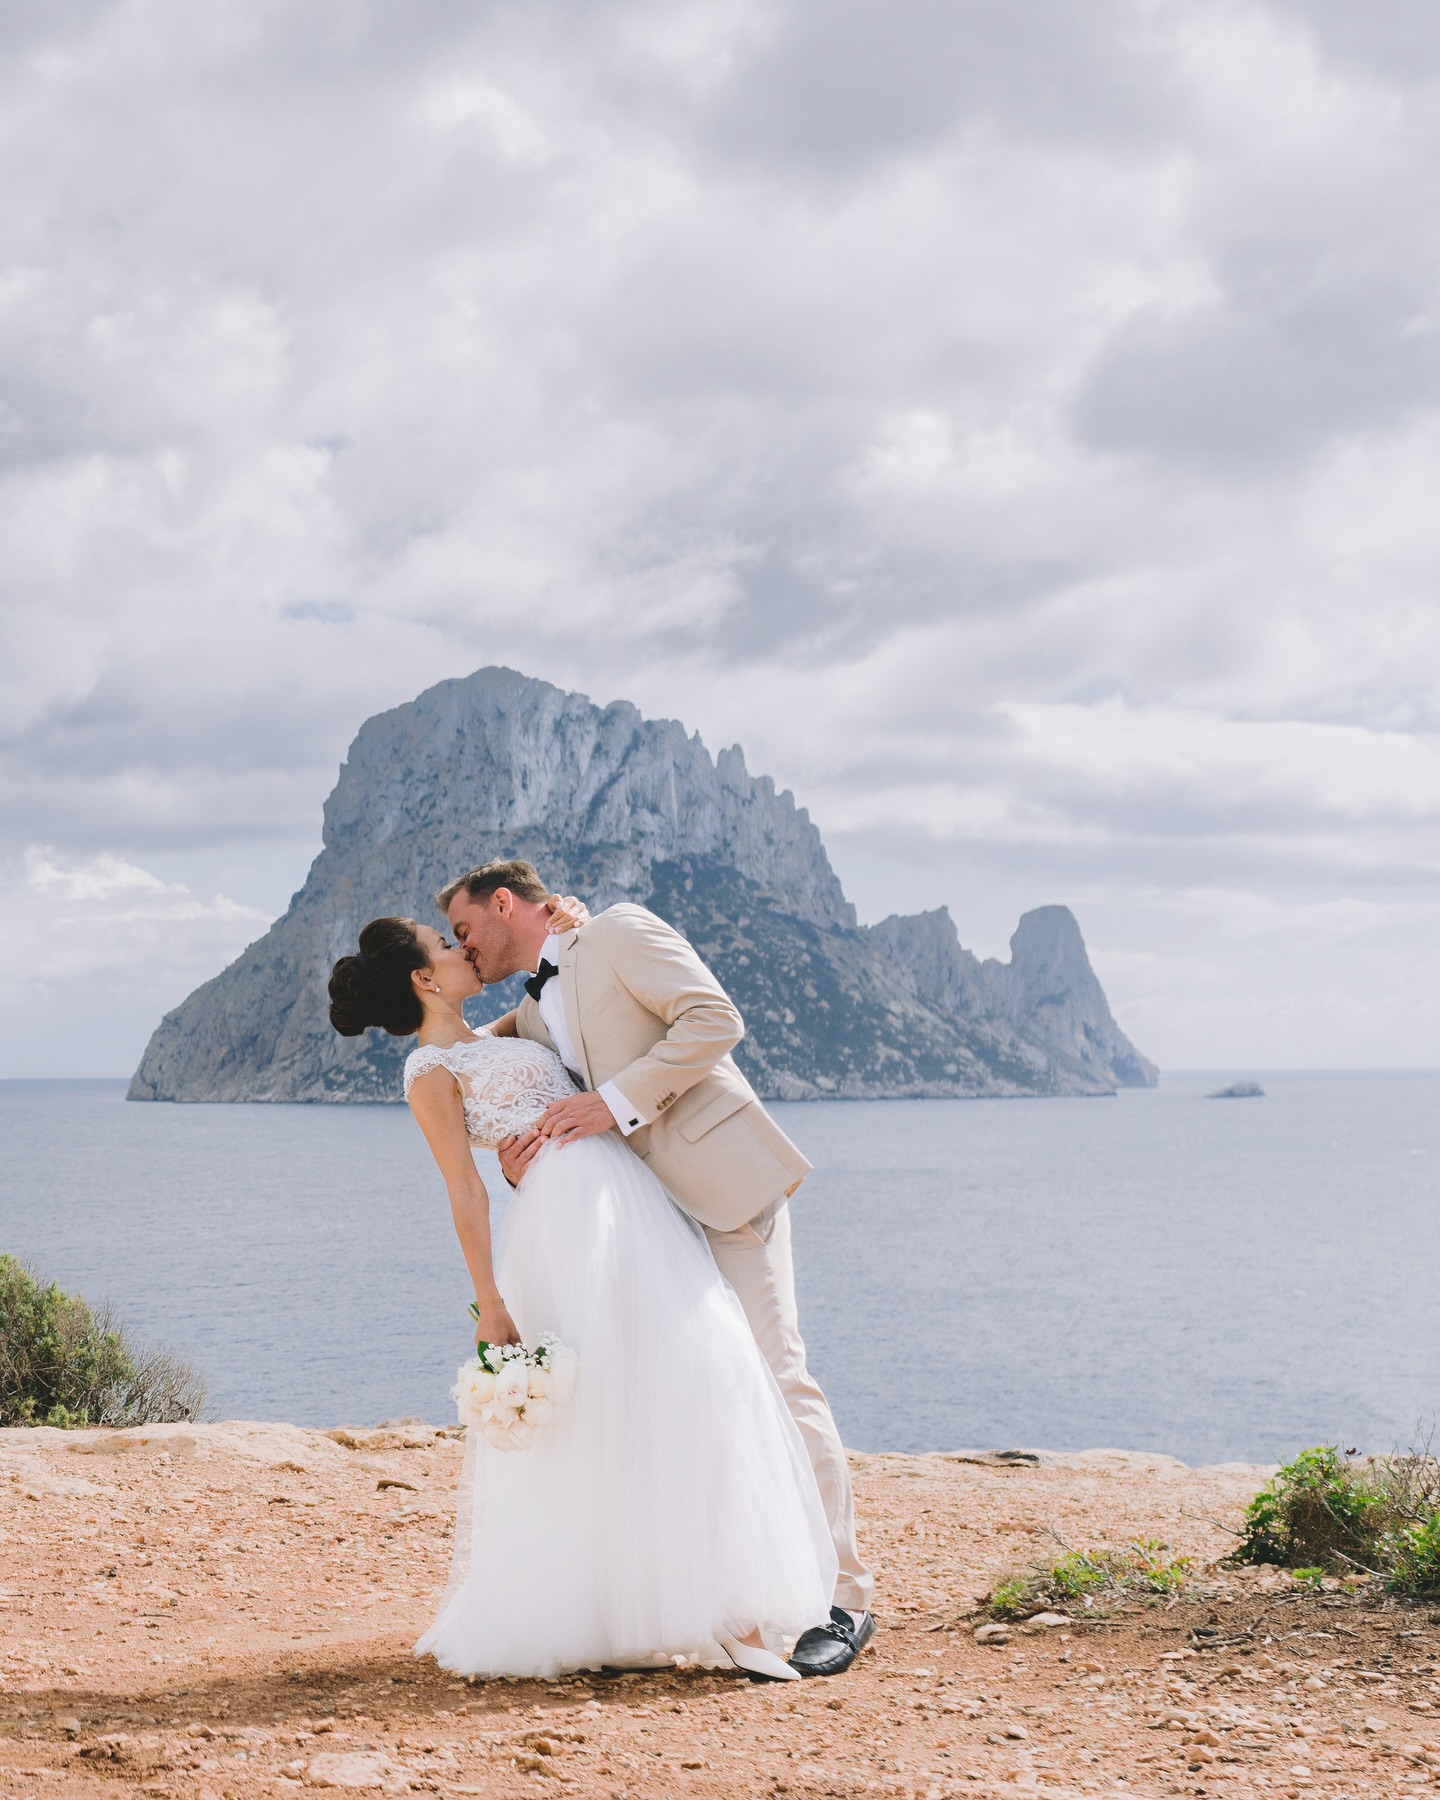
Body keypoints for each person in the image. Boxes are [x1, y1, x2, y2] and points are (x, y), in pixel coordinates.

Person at [327, 910, 836, 1682]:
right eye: (442, 945)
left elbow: (558, 1001)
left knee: (697, 1378)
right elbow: (463, 1191)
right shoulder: (429, 1073)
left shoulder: (489, 1039)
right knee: (618, 1406)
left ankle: (722, 1610)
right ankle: (696, 1618)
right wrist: (489, 1303)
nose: (461, 948)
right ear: (424, 981)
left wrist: (572, 919)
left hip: (634, 1206)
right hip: (569, 1225)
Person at [439, 859, 875, 1677]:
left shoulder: (617, 931)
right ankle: (722, 1595)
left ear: (505, 903)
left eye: (466, 929)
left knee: (778, 1378)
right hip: (642, 1223)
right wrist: (516, 1152)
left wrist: (613, 1102)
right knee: (688, 1399)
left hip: (724, 1189)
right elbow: (463, 1057)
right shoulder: (534, 1008)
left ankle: (843, 1601)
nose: (464, 945)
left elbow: (713, 1020)